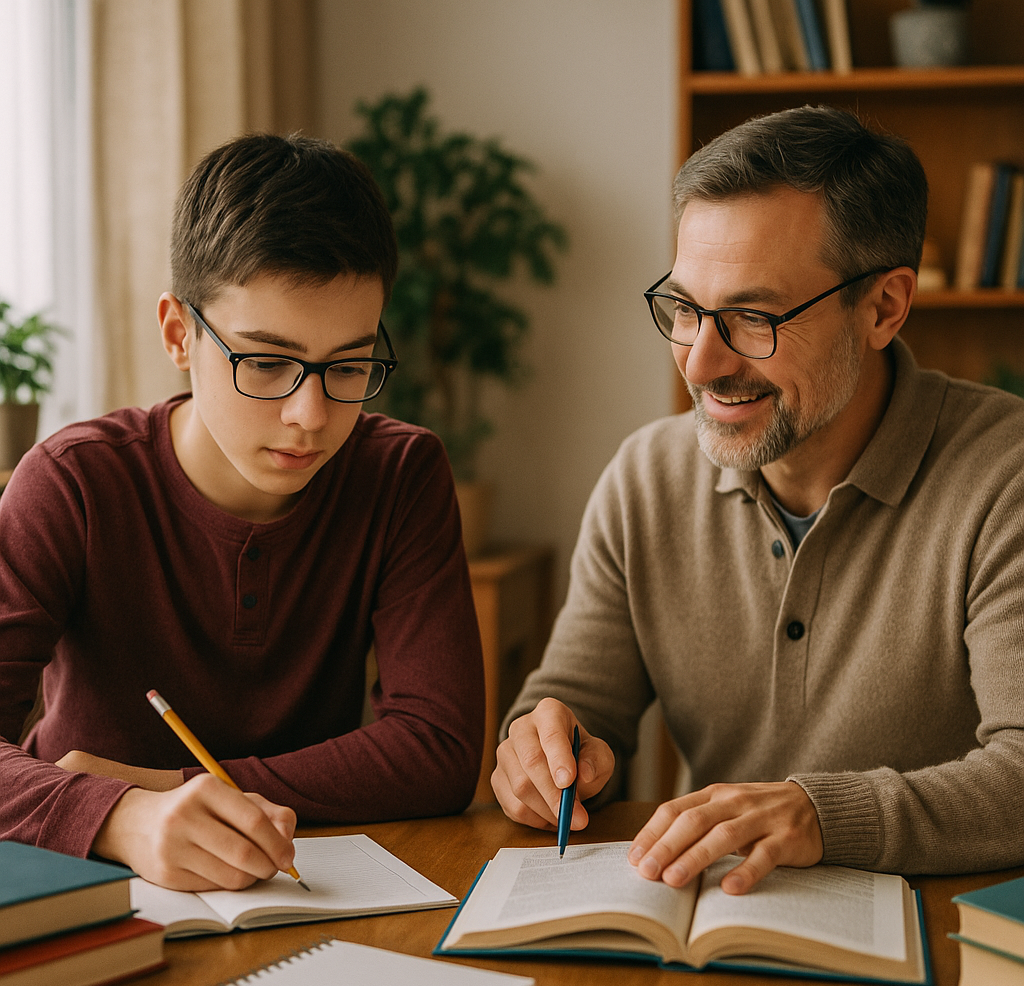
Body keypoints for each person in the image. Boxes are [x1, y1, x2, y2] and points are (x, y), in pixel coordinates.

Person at [492, 105, 1024, 895]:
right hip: (713, 928)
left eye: (752, 316)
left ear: (883, 308)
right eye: (684, 308)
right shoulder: (645, 478)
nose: (700, 362)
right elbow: (576, 703)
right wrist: (543, 752)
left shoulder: (1005, 476)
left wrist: (823, 815)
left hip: (945, 943)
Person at [0, 134, 485, 891]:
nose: (311, 415)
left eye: (350, 366)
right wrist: (119, 818)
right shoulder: (73, 484)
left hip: (308, 890)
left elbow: (438, 749)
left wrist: (172, 787)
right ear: (178, 335)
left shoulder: (400, 473)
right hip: (90, 891)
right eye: (265, 362)